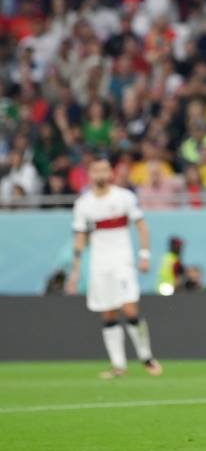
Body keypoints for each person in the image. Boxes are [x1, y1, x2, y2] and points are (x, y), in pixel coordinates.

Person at [66, 158, 162, 379]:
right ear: (89, 174)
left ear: (110, 173)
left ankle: (146, 357)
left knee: (129, 309)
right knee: (108, 312)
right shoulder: (84, 204)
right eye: (96, 170)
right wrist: (75, 271)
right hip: (100, 263)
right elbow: (80, 238)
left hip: (123, 261)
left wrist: (144, 255)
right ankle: (118, 365)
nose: (100, 174)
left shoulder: (124, 197)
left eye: (104, 170)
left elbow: (142, 227)